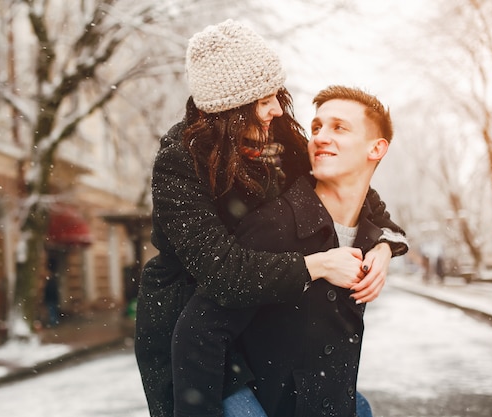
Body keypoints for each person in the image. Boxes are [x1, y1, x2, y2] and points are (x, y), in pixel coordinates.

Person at [134, 20, 408, 417]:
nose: (277, 109)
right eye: (264, 100)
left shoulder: (275, 137)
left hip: (255, 319)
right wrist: (316, 265)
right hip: (193, 329)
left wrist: (385, 243)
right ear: (232, 110)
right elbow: (221, 271)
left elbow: (346, 188)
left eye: (277, 95)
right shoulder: (180, 162)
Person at [172, 85, 401, 417]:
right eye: (318, 127)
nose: (321, 136)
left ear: (376, 148)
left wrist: (385, 248)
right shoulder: (276, 224)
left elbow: (389, 226)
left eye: (339, 127)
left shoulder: (369, 235)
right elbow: (198, 332)